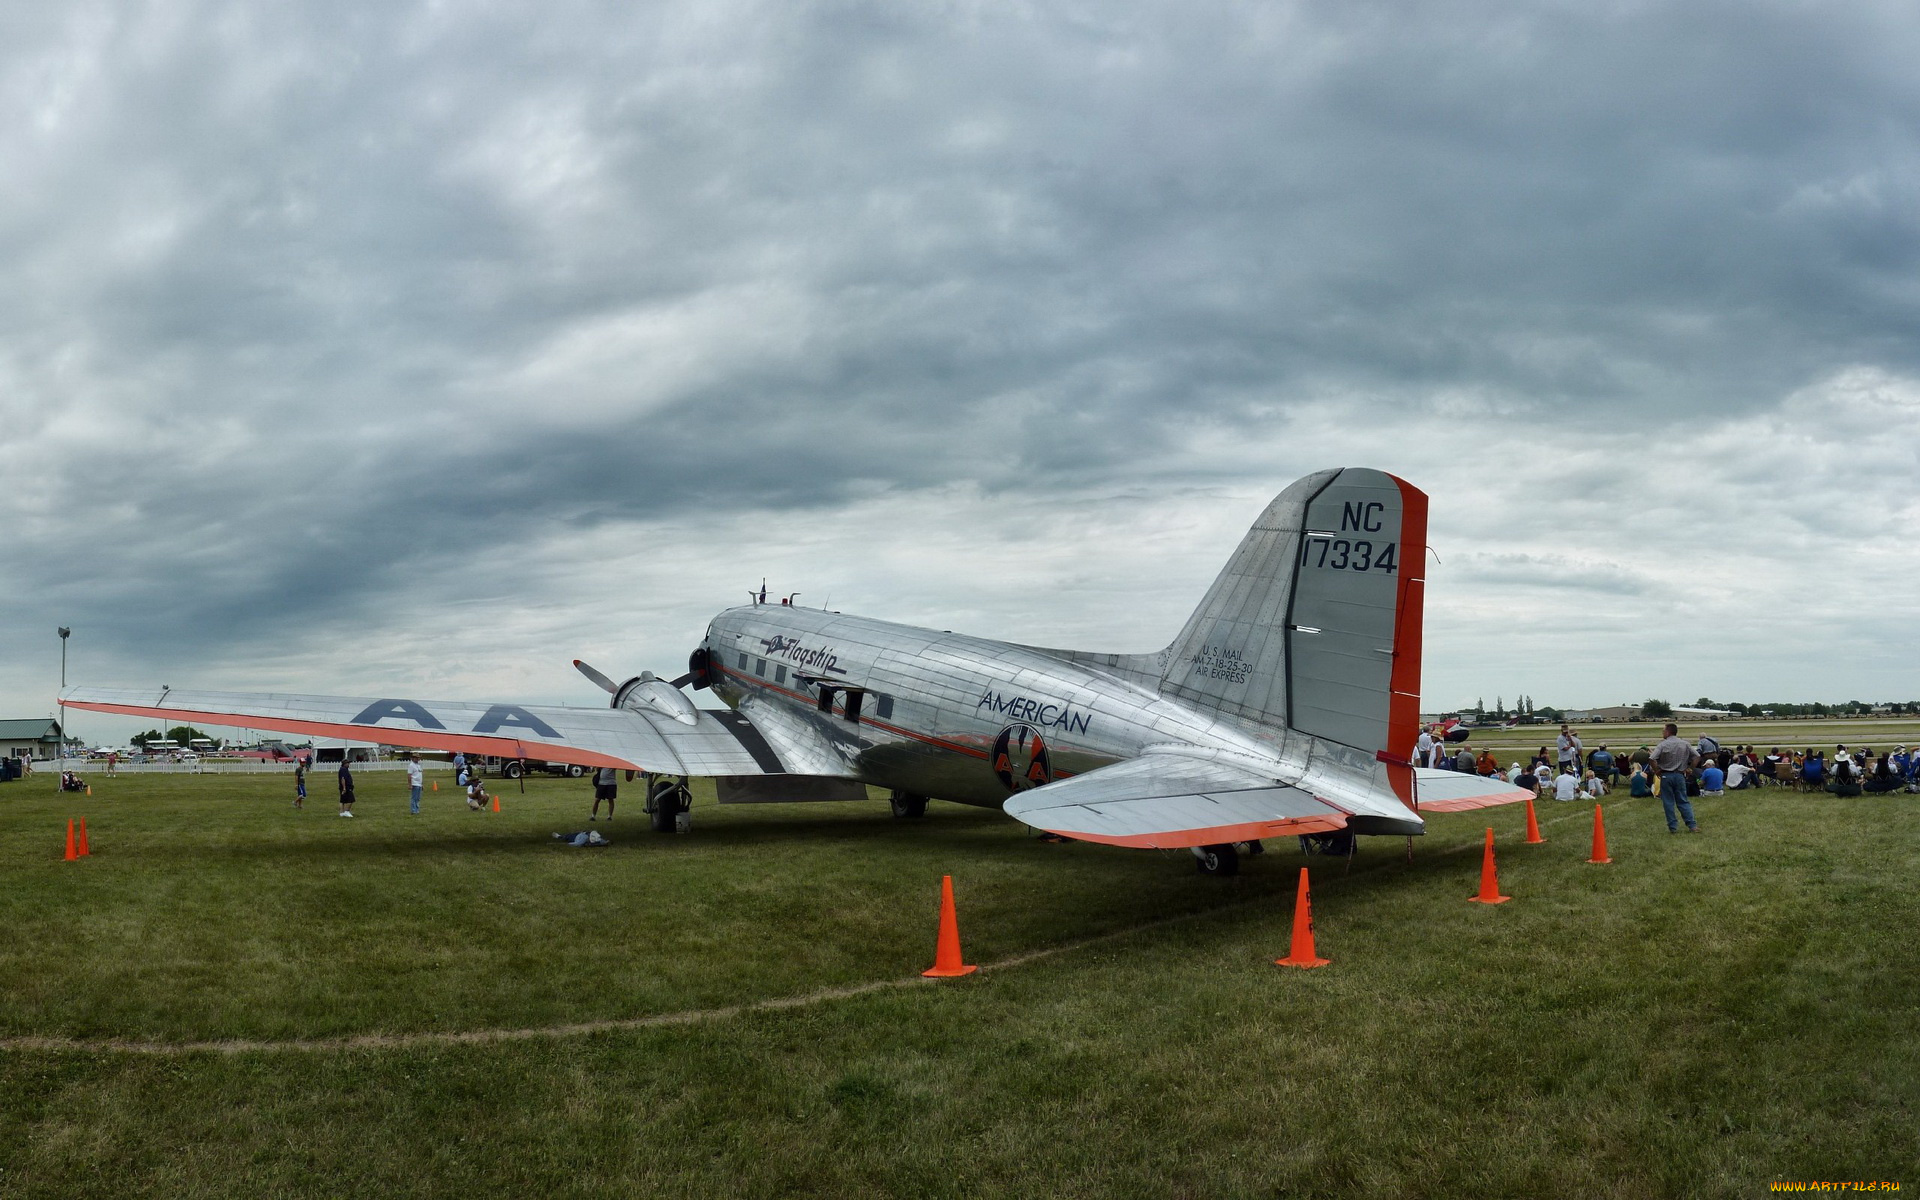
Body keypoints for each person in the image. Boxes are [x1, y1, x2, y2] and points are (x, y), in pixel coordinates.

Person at [1651, 722, 1699, 833]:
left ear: (1668, 732)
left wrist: (1656, 770)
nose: (1662, 732)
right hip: (1680, 775)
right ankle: (1692, 825)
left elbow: (1652, 758)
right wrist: (1690, 768)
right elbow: (1697, 756)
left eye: (1663, 730)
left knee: (1668, 802)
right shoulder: (1685, 744)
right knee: (1683, 800)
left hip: (1666, 775)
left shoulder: (1662, 745)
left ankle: (1673, 827)